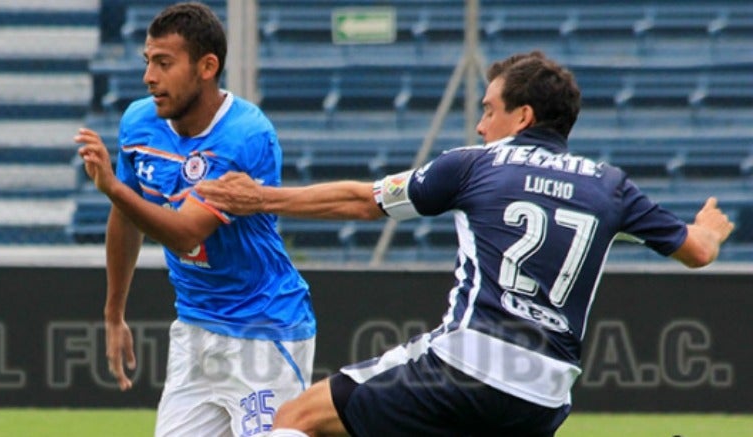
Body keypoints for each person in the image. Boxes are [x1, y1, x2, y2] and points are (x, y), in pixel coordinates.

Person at [195, 50, 734, 436]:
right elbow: (697, 251)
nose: (480, 126)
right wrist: (709, 228)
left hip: (466, 369)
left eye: (489, 109)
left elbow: (364, 201)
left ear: (522, 116)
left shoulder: (476, 165)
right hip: (543, 399)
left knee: (295, 418)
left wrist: (260, 198)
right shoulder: (609, 187)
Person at [75, 3, 315, 436]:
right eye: (148, 61)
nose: (149, 77)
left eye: (164, 63)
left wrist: (113, 187)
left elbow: (185, 234)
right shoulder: (139, 123)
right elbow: (126, 216)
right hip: (194, 328)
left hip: (263, 331)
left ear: (207, 67)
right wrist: (113, 313)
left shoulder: (244, 135)